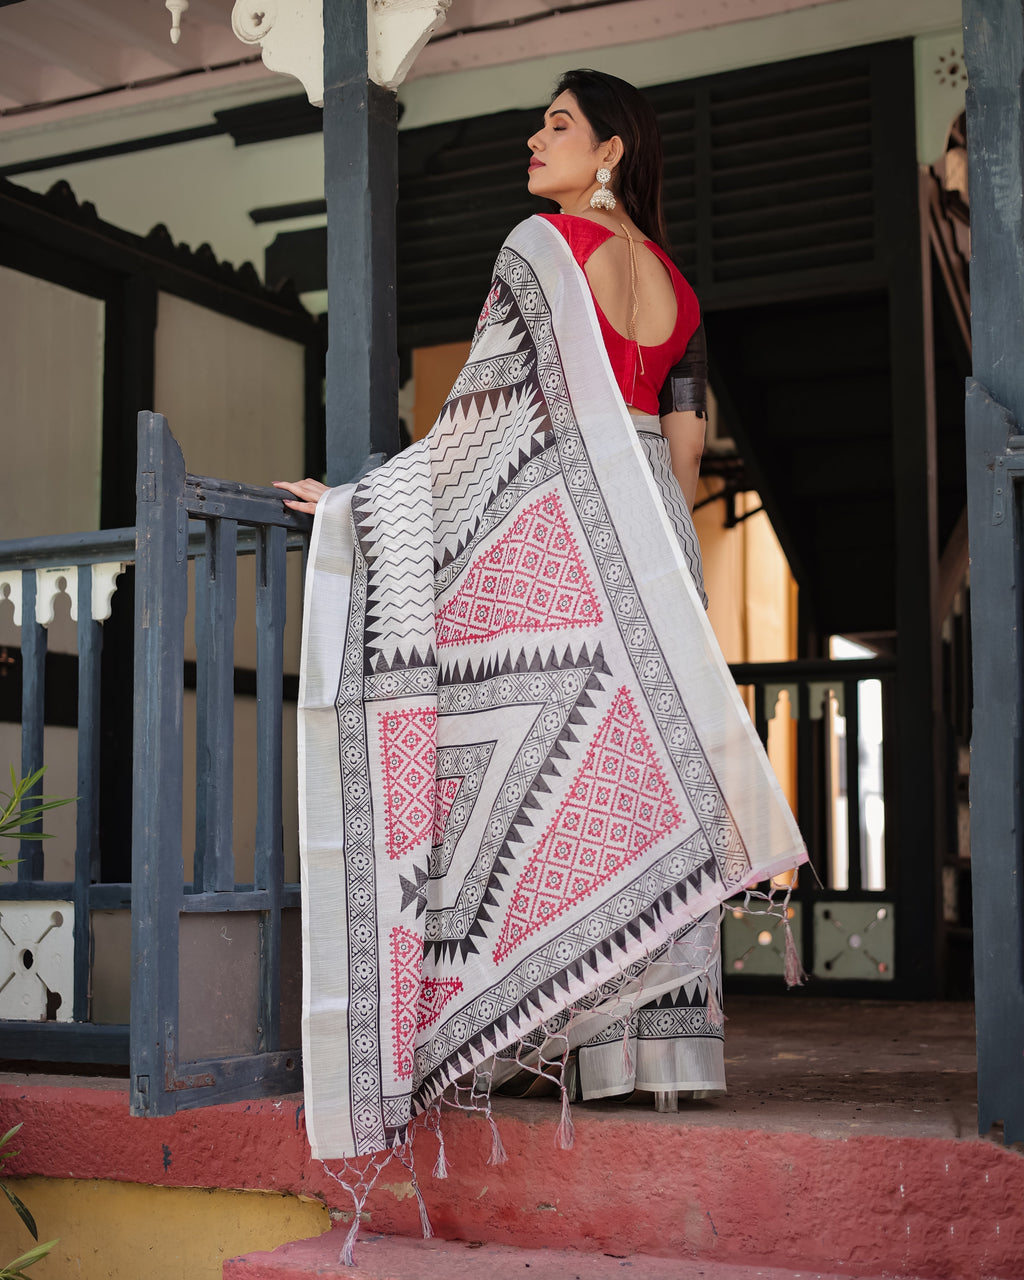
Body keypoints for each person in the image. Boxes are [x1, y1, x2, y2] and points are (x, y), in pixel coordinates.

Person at [275, 71, 804, 1181]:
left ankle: (541, 1026)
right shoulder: (679, 290)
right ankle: (660, 1054)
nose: (535, 138)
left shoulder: (544, 249)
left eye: (559, 124)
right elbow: (683, 451)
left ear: (610, 150)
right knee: (643, 780)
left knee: (542, 770)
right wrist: (657, 574)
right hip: (655, 544)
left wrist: (359, 506)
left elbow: (479, 423)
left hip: (568, 538)